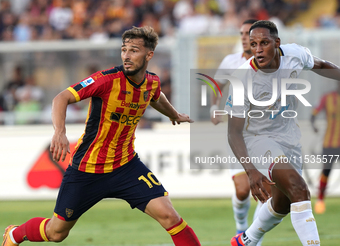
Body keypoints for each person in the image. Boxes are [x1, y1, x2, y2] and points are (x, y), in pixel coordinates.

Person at [2, 26, 201, 246]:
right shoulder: (106, 80)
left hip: (126, 166)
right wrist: (60, 132)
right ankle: (14, 234)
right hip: (87, 169)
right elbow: (61, 97)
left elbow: (155, 96)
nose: (126, 55)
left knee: (170, 216)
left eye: (133, 50)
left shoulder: (152, 82)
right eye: (124, 49)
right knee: (56, 233)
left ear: (149, 55)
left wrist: (174, 114)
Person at [226, 20, 340, 246]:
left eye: (264, 43)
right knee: (299, 189)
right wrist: (250, 170)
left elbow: (322, 65)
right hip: (257, 139)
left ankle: (247, 239)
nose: (258, 50)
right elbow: (234, 132)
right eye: (254, 44)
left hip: (289, 137)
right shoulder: (242, 78)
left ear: (277, 43)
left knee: (283, 203)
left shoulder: (295, 55)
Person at [210, 19, 270, 243]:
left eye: (249, 33)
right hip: (239, 134)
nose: (244, 37)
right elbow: (217, 85)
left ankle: (251, 239)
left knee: (265, 190)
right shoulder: (231, 61)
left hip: (265, 134)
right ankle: (241, 226)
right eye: (242, 33)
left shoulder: (270, 62)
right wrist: (215, 107)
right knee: (243, 190)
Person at [311, 81, 340, 214]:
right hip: (330, 143)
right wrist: (314, 125)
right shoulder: (327, 97)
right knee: (326, 171)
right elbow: (314, 113)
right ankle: (320, 200)